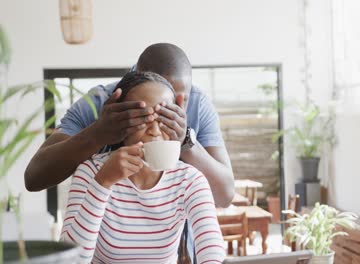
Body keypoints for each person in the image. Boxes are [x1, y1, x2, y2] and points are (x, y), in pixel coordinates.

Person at [24, 43, 234, 208]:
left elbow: (225, 196)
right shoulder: (99, 103)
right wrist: (97, 134)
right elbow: (33, 178)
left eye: (181, 100)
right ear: (134, 78)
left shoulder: (198, 104)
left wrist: (187, 143)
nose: (174, 110)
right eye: (158, 104)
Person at [60, 71, 225, 264]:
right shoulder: (90, 173)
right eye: (143, 118)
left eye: (164, 118)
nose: (155, 130)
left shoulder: (189, 180)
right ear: (121, 120)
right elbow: (70, 261)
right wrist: (103, 183)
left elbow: (213, 252)